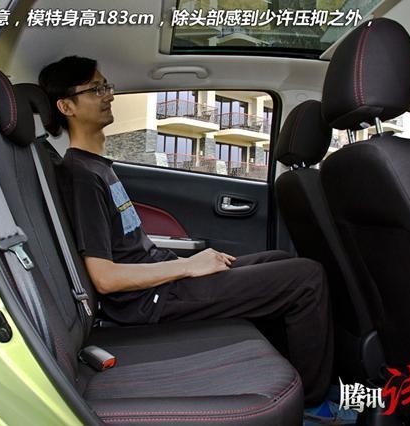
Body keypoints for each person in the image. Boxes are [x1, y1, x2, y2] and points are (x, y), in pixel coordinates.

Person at [39, 55, 333, 405]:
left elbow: (129, 246)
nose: (109, 95)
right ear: (66, 106)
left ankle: (290, 369)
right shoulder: (82, 176)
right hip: (148, 301)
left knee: (278, 259)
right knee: (306, 277)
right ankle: (313, 403)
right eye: (96, 89)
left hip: (161, 283)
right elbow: (104, 278)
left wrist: (186, 263)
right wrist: (188, 266)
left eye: (107, 86)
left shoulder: (97, 167)